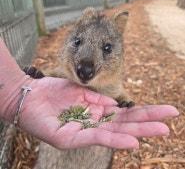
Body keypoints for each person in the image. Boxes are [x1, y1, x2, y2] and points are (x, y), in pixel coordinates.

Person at [0, 38, 179, 149]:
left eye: (107, 49)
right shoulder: (64, 71)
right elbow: (53, 76)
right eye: (78, 43)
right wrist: (32, 82)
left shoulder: (110, 82)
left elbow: (119, 94)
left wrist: (124, 101)